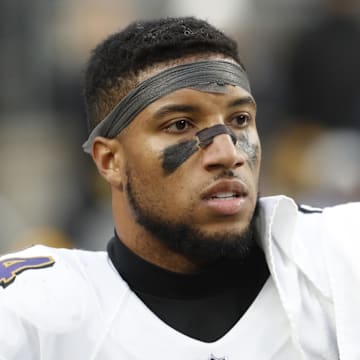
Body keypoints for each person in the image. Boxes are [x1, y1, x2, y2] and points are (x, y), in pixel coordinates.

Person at [0, 17, 359, 360]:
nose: (227, 153)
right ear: (110, 161)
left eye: (240, 120)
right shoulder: (39, 311)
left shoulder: (338, 257)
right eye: (181, 124)